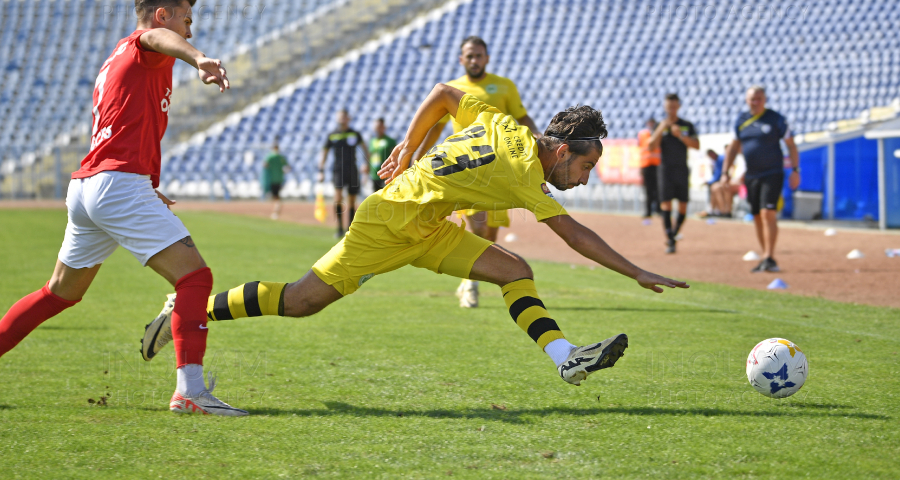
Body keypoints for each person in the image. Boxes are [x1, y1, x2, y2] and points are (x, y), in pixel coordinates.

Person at [139, 85, 688, 388]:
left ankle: (566, 357)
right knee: (303, 301)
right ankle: (191, 313)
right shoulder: (527, 174)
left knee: (516, 271)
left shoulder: (505, 125)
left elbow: (446, 94)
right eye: (587, 166)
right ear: (564, 150)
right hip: (389, 221)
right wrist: (635, 271)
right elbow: (574, 234)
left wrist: (408, 146)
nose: (586, 178)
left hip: (428, 225)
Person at [0, 0, 246, 416]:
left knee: (58, 292)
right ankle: (190, 391)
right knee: (194, 279)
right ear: (163, 14)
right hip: (116, 185)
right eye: (185, 21)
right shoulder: (144, 43)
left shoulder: (117, 56)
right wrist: (200, 59)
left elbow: (130, 126)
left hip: (91, 187)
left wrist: (149, 185)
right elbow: (156, 36)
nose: (190, 30)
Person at [414, 36, 542, 308]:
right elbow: (434, 126)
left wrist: (538, 134)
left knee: (491, 234)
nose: (474, 60)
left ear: (487, 58)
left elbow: (521, 117)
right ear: (461, 59)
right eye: (469, 56)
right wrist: (415, 153)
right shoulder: (453, 89)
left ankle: (467, 281)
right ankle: (470, 284)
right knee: (478, 226)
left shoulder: (505, 86)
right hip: (466, 169)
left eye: (479, 55)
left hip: (500, 170)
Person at [722, 86, 800, 272]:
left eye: (759, 98)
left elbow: (791, 145)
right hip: (752, 175)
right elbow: (733, 148)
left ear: (764, 99)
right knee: (757, 215)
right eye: (752, 99)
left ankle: (769, 256)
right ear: (746, 100)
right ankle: (765, 254)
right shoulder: (741, 121)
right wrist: (725, 172)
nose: (755, 102)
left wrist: (795, 170)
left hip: (772, 173)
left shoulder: (776, 119)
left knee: (767, 213)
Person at [649, 93, 699, 254]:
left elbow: (696, 145)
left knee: (683, 206)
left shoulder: (686, 125)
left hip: (682, 169)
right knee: (666, 204)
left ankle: (675, 232)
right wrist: (662, 128)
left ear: (678, 106)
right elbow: (651, 146)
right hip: (665, 170)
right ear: (665, 107)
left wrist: (681, 136)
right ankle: (670, 239)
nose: (671, 109)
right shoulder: (660, 125)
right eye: (669, 106)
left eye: (674, 106)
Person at [318, 109, 370, 238]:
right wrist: (321, 170)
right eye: (340, 117)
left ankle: (350, 228)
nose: (342, 119)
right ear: (337, 118)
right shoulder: (332, 135)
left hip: (352, 169)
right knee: (338, 199)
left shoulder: (355, 134)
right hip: (338, 170)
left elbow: (365, 149)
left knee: (352, 200)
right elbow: (324, 152)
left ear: (348, 118)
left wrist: (366, 164)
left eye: (344, 117)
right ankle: (339, 228)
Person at [637, 117, 661, 223]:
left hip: (657, 165)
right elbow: (640, 149)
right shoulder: (642, 134)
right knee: (648, 190)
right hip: (646, 164)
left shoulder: (659, 133)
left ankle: (659, 210)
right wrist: (640, 167)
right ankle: (648, 211)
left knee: (658, 189)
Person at [368, 118, 397, 192]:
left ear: (384, 127)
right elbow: (370, 155)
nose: (378, 129)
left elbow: (395, 156)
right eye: (376, 127)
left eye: (380, 127)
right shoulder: (372, 141)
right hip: (375, 173)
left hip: (386, 173)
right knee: (375, 196)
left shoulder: (390, 141)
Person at [262, 143, 291, 219]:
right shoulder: (281, 157)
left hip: (272, 179)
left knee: (276, 196)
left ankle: (276, 211)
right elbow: (288, 167)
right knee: (275, 196)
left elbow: (265, 165)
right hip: (280, 179)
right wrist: (282, 171)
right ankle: (276, 209)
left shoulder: (270, 156)